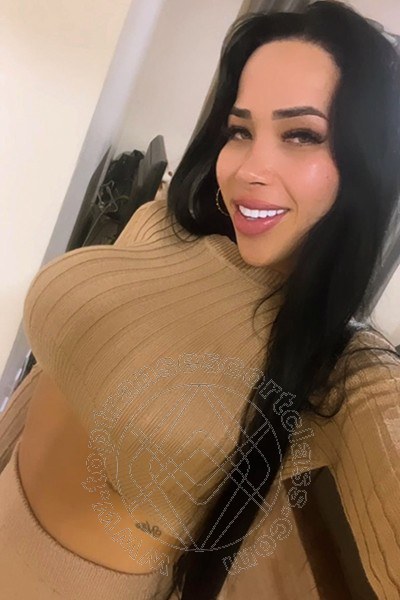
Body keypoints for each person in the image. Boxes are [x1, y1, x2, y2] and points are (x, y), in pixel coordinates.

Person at [1, 1, 400, 599]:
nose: (249, 169)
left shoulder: (345, 366)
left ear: (367, 165)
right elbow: (55, 374)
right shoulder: (164, 224)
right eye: (240, 131)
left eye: (301, 135)